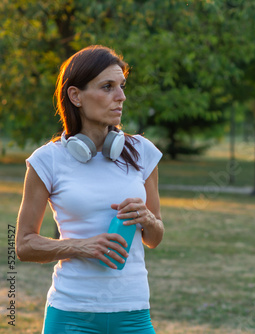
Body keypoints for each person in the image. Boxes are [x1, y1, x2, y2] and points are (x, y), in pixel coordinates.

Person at [16, 45, 164, 333]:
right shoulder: (46, 160)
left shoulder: (143, 152)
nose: (120, 96)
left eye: (121, 86)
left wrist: (147, 219)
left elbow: (154, 238)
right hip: (71, 315)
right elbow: (23, 245)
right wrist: (80, 246)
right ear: (75, 95)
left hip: (133, 312)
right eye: (107, 87)